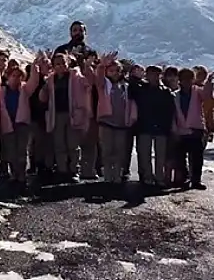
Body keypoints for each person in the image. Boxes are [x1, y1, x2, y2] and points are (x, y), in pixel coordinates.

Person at [0, 53, 43, 190]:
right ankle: (13, 174)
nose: (16, 79)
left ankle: (21, 175)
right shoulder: (1, 92)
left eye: (19, 76)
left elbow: (35, 82)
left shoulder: (24, 89)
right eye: (13, 76)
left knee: (21, 151)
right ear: (8, 77)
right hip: (7, 125)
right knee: (10, 151)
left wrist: (35, 66)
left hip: (22, 124)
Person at [39, 53, 91, 183]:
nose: (60, 66)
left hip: (72, 114)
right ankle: (62, 170)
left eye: (63, 63)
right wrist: (44, 87)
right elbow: (42, 98)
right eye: (57, 64)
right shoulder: (51, 79)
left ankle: (74, 170)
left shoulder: (75, 77)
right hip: (56, 115)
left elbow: (87, 85)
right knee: (59, 144)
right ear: (53, 66)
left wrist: (86, 67)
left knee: (73, 145)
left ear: (68, 63)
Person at [94, 53, 137, 188]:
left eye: (117, 71)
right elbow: (98, 76)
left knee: (120, 151)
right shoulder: (103, 84)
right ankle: (107, 175)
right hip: (106, 122)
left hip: (122, 124)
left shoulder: (126, 86)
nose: (114, 73)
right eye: (111, 71)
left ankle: (117, 175)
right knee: (107, 150)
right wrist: (102, 64)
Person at [129, 66, 175, 188]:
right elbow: (130, 87)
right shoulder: (140, 89)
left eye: (156, 74)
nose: (153, 76)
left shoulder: (166, 91)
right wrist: (135, 76)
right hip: (144, 125)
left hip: (161, 127)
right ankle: (147, 177)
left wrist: (168, 126)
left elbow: (170, 111)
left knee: (160, 155)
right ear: (146, 75)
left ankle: (159, 178)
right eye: (150, 74)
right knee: (144, 154)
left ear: (160, 75)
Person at [172, 68, 212, 190]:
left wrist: (209, 81)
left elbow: (207, 96)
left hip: (196, 129)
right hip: (181, 129)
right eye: (184, 79)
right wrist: (174, 129)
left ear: (193, 79)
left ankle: (196, 180)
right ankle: (184, 178)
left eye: (189, 79)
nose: (187, 81)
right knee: (180, 157)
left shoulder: (197, 92)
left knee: (196, 158)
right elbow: (173, 113)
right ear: (180, 80)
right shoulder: (175, 95)